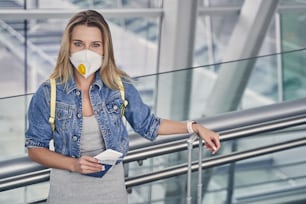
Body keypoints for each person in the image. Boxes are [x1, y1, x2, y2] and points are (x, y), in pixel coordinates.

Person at [25, 10, 220, 204]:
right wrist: (73, 164)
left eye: (95, 45)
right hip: (66, 195)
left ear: (105, 49)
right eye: (78, 44)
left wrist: (193, 127)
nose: (86, 52)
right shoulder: (47, 93)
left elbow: (148, 124)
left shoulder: (119, 87)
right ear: (68, 48)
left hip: (112, 193)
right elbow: (35, 148)